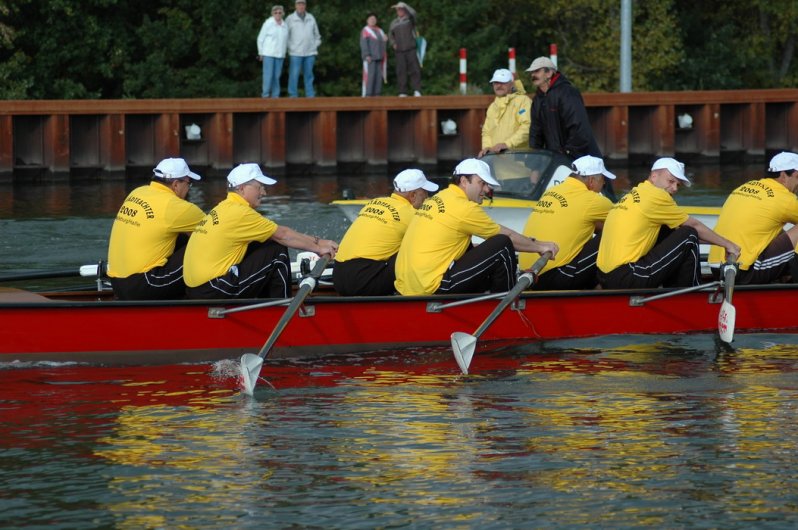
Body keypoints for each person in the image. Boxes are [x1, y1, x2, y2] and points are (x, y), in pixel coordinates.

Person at [394, 158, 559, 296]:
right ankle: (508, 304)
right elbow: (507, 237)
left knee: (478, 247)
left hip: (406, 287)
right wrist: (540, 246)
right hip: (432, 287)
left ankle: (492, 295)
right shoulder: (464, 208)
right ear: (464, 181)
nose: (487, 190)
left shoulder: (439, 197)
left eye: (488, 184)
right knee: (502, 245)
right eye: (482, 183)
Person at [184, 163, 338, 299]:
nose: (264, 192)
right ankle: (281, 309)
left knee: (265, 242)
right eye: (260, 187)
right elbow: (283, 235)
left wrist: (320, 243)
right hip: (212, 289)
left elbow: (279, 233)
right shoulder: (241, 213)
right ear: (242, 188)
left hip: (195, 289)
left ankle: (266, 300)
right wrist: (319, 248)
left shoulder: (223, 208)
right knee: (277, 251)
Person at [597, 157, 740, 289]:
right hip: (629, 276)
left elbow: (681, 236)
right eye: (670, 181)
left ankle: (674, 287)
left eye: (678, 184)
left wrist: (717, 243)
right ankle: (692, 295)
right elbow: (694, 227)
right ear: (654, 176)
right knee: (688, 234)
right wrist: (729, 245)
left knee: (672, 230)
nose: (675, 188)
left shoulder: (636, 191)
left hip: (604, 276)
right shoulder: (657, 197)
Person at [107, 158, 204, 300]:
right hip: (146, 284)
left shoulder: (137, 192)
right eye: (189, 184)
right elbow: (217, 231)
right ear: (176, 185)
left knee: (182, 237)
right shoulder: (176, 207)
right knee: (206, 245)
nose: (189, 188)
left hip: (117, 283)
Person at [333, 169, 438, 296]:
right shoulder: (410, 214)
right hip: (364, 282)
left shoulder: (373, 203)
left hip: (338, 276)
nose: (427, 197)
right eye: (425, 193)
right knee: (421, 249)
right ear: (413, 195)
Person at [520, 155, 615, 290]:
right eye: (603, 180)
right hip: (556, 278)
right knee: (616, 232)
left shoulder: (550, 191)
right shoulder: (593, 201)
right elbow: (626, 221)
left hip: (528, 275)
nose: (604, 184)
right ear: (592, 181)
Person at [708, 151, 798, 284]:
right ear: (784, 175)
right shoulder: (784, 199)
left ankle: (786, 274)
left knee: (774, 230)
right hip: (743, 273)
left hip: (717, 267)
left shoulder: (744, 187)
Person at [526, 56, 600, 160]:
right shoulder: (537, 99)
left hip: (580, 159)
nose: (533, 75)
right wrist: (534, 165)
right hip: (556, 160)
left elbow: (579, 128)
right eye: (532, 72)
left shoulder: (568, 93)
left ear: (549, 73)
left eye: (537, 71)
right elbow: (535, 133)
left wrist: (567, 153)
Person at [479, 68, 531, 157]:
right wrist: (486, 147)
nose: (498, 85)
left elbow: (527, 127)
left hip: (519, 161)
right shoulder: (492, 107)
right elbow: (486, 131)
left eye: (503, 82)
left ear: (512, 84)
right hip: (496, 161)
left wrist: (507, 144)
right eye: (495, 83)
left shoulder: (523, 101)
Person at [286, 0, 321, 98]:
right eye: (299, 4)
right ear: (295, 5)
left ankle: (310, 96)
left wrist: (314, 46)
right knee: (294, 75)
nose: (301, 6)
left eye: (303, 4)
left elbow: (317, 35)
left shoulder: (311, 18)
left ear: (305, 5)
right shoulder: (290, 19)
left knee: (309, 75)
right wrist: (291, 47)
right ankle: (293, 96)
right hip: (295, 53)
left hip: (310, 53)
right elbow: (285, 36)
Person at [388, 2, 421, 97]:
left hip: (411, 48)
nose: (399, 11)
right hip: (399, 51)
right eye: (398, 9)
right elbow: (390, 35)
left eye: (401, 9)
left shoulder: (410, 19)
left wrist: (405, 5)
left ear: (405, 10)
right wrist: (393, 43)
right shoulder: (393, 23)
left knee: (414, 69)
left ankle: (417, 90)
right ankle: (402, 91)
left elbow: (414, 13)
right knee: (401, 71)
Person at [257, 5, 289, 98]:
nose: (278, 14)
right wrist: (260, 53)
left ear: (282, 13)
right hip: (268, 54)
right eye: (276, 12)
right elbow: (260, 39)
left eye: (279, 12)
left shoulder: (285, 25)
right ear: (272, 13)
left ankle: (275, 97)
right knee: (268, 76)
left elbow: (286, 40)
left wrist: (285, 52)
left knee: (277, 76)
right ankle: (265, 96)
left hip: (280, 55)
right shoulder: (268, 23)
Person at [360, 13, 387, 97]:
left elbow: (382, 43)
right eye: (371, 19)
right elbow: (363, 43)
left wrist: (385, 41)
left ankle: (377, 94)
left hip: (379, 57)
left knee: (378, 76)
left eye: (374, 19)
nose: (373, 20)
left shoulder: (380, 30)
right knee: (370, 76)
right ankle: (368, 94)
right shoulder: (365, 30)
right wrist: (366, 54)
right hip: (370, 58)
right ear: (367, 20)